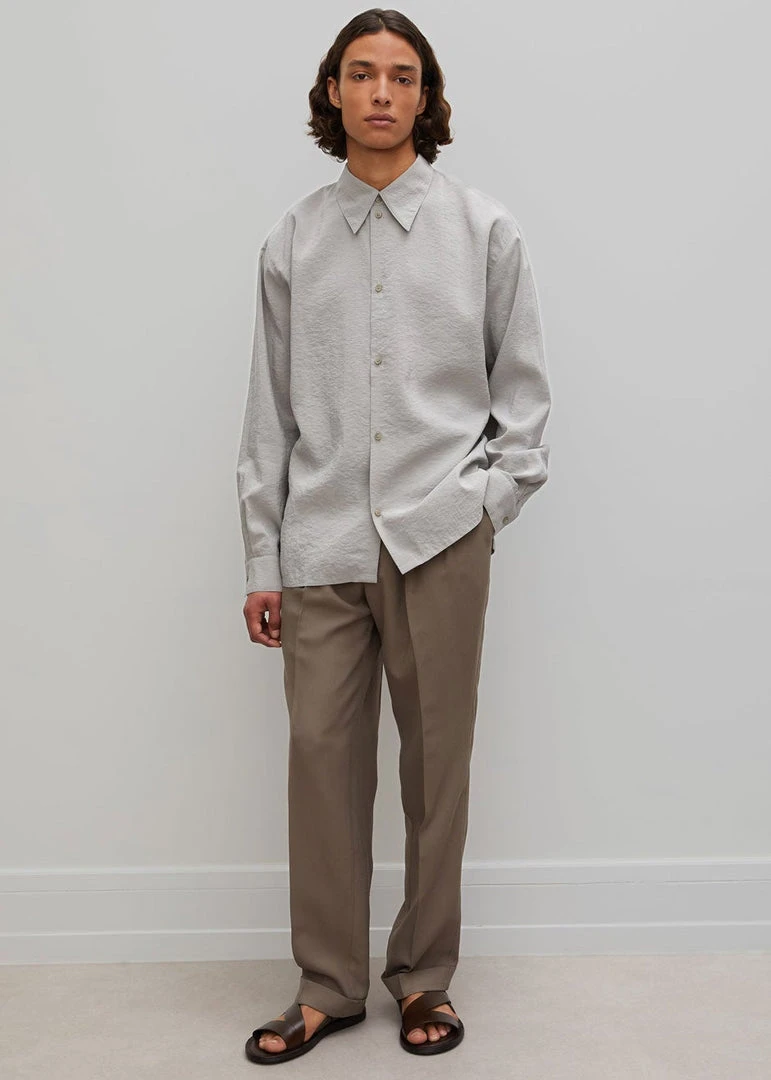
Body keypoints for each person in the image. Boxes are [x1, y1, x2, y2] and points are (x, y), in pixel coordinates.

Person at [237, 7, 552, 1065]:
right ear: (333, 91)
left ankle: (424, 979)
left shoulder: (484, 232)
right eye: (362, 73)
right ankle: (327, 985)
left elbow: (524, 411)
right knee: (320, 768)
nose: (381, 91)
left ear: (427, 96)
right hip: (321, 542)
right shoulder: (292, 241)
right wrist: (262, 557)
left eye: (402, 75)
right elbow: (268, 417)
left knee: (436, 772)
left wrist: (481, 508)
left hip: (440, 541)